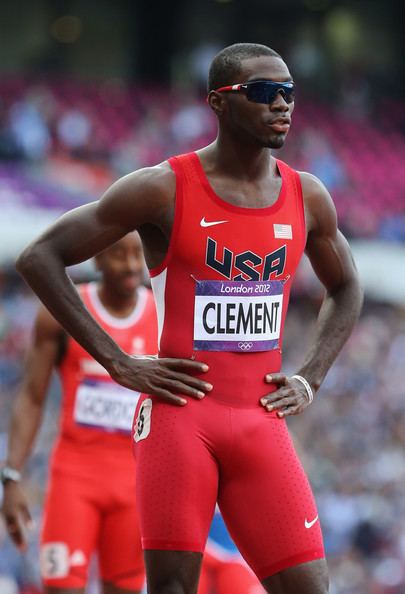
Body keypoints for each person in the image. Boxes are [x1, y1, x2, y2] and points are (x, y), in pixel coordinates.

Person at [14, 43, 363, 594]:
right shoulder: (163, 187)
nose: (283, 106)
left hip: (259, 422)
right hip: (180, 420)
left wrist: (310, 375)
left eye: (289, 94)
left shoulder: (307, 196)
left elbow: (345, 287)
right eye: (265, 93)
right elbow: (40, 257)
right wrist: (118, 362)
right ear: (219, 103)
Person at [1, 233, 157, 594]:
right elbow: (31, 396)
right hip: (75, 477)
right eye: (120, 255)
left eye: (139, 255)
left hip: (135, 484)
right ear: (97, 259)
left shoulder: (162, 314)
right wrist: (12, 475)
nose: (132, 266)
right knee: (60, 587)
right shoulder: (62, 315)